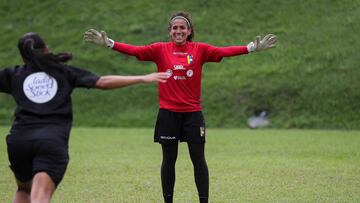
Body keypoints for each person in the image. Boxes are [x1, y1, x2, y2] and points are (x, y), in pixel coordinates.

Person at [84, 11, 277, 203]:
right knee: (169, 160)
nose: (178, 31)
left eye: (182, 27)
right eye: (175, 28)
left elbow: (223, 52)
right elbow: (136, 50)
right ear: (169, 31)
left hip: (193, 115)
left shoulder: (200, 50)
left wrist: (251, 47)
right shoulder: (160, 49)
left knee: (198, 160)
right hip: (168, 114)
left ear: (189, 30)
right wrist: (110, 43)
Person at [0, 32, 169, 203]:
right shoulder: (63, 72)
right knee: (40, 196)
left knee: (23, 189)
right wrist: (141, 77)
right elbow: (102, 82)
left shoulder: (13, 74)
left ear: (23, 58)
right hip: (50, 142)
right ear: (47, 49)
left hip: (18, 142)